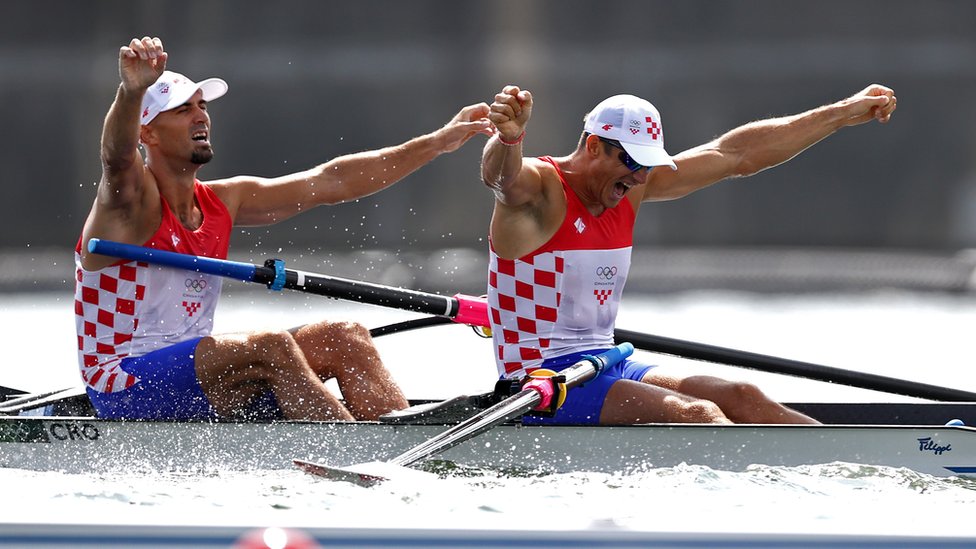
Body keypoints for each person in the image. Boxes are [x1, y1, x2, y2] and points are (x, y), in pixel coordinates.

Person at [74, 36, 493, 422]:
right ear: (147, 132)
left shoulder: (224, 200)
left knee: (346, 337)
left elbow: (333, 181)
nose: (201, 116)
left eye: (203, 106)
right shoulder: (128, 203)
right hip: (123, 383)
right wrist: (131, 91)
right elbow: (116, 156)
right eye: (183, 110)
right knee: (269, 345)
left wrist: (437, 141)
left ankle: (407, 447)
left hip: (195, 378)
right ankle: (355, 452)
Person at [481, 84, 897, 425]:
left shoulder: (631, 188)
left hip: (604, 364)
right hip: (540, 384)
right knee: (697, 414)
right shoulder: (539, 189)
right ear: (593, 146)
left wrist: (840, 113)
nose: (642, 176)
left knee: (742, 396)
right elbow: (501, 179)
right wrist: (510, 139)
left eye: (647, 164)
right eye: (633, 161)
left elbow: (736, 155)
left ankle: (850, 470)